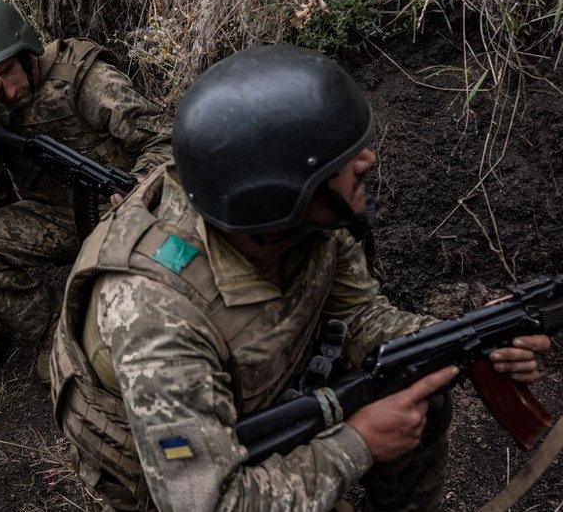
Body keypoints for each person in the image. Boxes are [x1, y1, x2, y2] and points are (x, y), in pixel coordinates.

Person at [48, 45, 552, 511]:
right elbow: (207, 501)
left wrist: (462, 341)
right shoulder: (157, 318)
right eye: (340, 161)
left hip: (253, 383)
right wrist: (356, 444)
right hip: (169, 459)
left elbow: (359, 317)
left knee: (423, 386)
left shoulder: (302, 221)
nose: (368, 160)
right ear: (279, 195)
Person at [0, 0, 173, 350]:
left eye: (6, 73)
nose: (4, 92)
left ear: (27, 51)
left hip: (126, 206)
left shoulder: (82, 79)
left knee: (171, 279)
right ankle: (55, 332)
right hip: (54, 217)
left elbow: (165, 138)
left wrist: (139, 185)